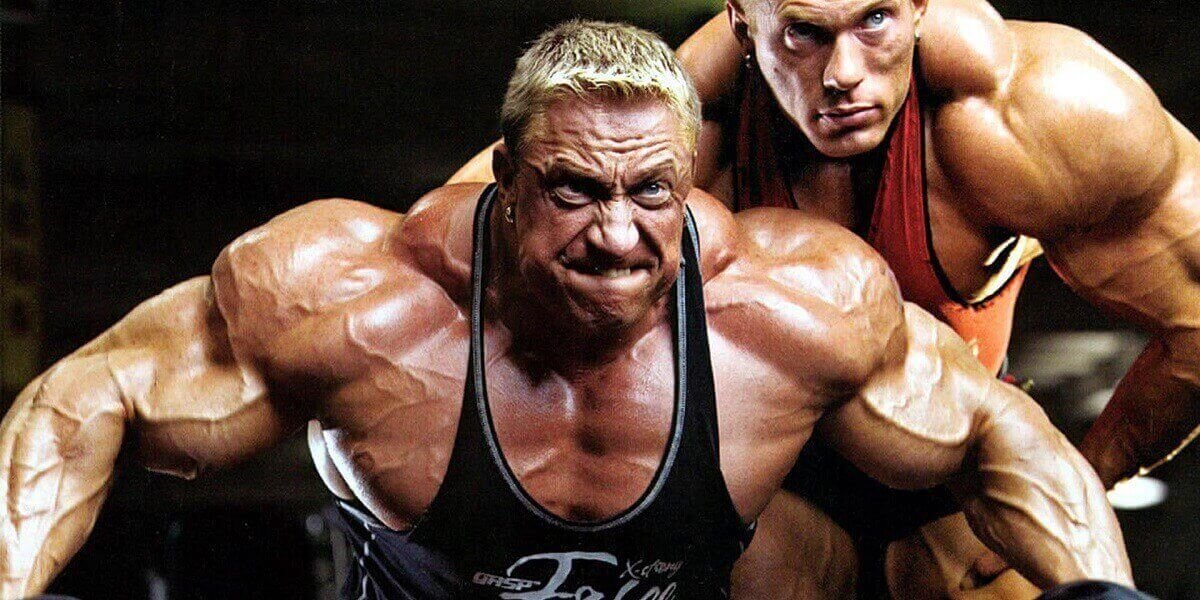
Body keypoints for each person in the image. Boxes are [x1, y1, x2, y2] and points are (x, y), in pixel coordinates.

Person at [1, 21, 1133, 599]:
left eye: (652, 193)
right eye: (575, 190)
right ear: (504, 178)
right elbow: (90, 398)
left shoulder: (791, 305)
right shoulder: (359, 298)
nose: (618, 235)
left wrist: (1102, 592)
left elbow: (993, 434)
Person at [444, 1, 1200, 597]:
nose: (843, 73)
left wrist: (1092, 470)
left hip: (953, 454)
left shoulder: (1036, 109)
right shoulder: (668, 131)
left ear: (920, 4)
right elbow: (447, 266)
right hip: (768, 478)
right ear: (742, 18)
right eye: (803, 33)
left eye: (875, 20)